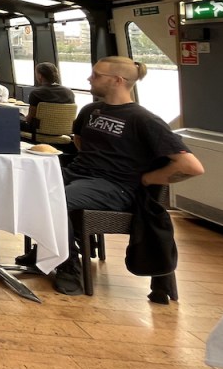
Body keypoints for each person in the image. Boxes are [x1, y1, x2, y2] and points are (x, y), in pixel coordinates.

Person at [29, 57, 204, 296]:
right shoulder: (90, 110)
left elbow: (191, 166)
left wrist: (148, 179)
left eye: (97, 75)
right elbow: (79, 140)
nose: (90, 78)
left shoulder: (143, 119)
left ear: (118, 81)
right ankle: (47, 248)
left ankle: (69, 266)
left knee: (57, 199)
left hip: (116, 187)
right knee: (28, 186)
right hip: (79, 174)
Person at [24, 62, 75, 130]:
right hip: (63, 130)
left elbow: (30, 118)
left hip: (39, 131)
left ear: (40, 76)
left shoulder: (36, 93)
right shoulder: (69, 92)